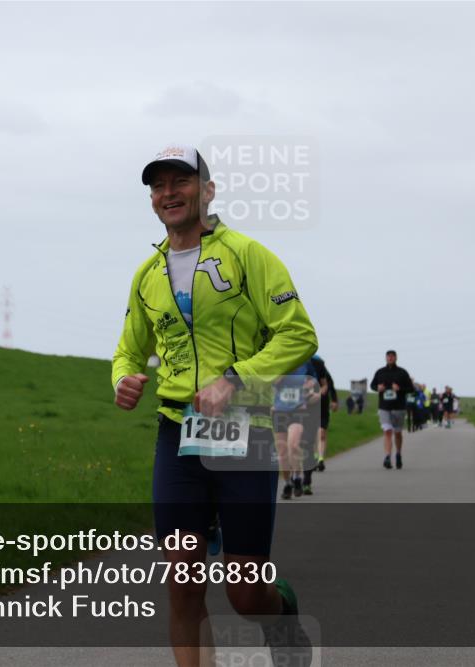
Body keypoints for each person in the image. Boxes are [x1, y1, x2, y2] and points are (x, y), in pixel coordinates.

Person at [112, 145, 317, 667]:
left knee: (245, 594)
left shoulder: (248, 255)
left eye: (181, 181)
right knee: (183, 583)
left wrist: (236, 378)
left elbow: (298, 334)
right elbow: (130, 349)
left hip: (244, 430)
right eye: (158, 186)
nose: (168, 193)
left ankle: (282, 613)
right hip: (175, 433)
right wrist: (124, 379)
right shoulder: (147, 274)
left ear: (207, 190)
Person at [273, 358, 320, 499]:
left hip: (298, 410)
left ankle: (297, 477)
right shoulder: (278, 362)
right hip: (279, 411)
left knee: (293, 445)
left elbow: (314, 380)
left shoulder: (305, 362)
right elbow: (272, 382)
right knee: (282, 451)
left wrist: (310, 385)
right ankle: (287, 483)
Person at [369, 350, 416, 469]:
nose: (390, 358)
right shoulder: (380, 372)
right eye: (388, 356)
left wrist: (399, 389)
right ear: (385, 358)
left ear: (396, 358)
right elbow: (372, 385)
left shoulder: (402, 372)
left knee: (398, 432)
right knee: (387, 431)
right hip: (384, 407)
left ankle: (398, 454)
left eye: (392, 356)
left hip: (399, 407)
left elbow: (411, 389)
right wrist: (377, 388)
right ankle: (387, 457)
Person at [309, 354, 338, 475]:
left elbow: (330, 385)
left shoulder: (321, 369)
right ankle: (315, 456)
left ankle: (320, 459)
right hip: (307, 405)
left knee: (321, 432)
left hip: (322, 404)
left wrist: (334, 400)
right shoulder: (299, 366)